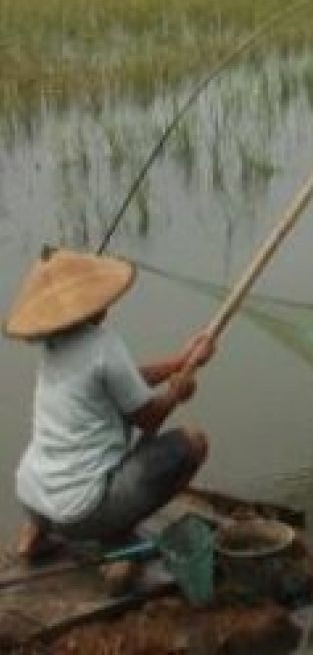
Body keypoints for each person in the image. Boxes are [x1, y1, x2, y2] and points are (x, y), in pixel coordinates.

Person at [3, 246, 215, 591]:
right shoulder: (104, 345)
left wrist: (182, 360)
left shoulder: (53, 346)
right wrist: (179, 391)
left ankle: (34, 535)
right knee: (193, 444)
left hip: (31, 495)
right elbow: (149, 419)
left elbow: (126, 380)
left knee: (62, 458)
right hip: (80, 514)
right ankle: (118, 540)